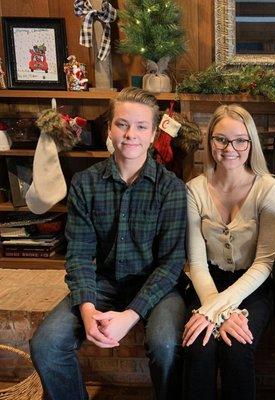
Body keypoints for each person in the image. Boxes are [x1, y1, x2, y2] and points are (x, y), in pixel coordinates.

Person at [30, 87, 188, 400]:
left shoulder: (171, 188)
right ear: (110, 128)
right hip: (102, 283)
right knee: (46, 344)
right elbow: (78, 254)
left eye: (141, 126)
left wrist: (130, 316)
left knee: (166, 344)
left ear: (154, 133)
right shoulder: (85, 183)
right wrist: (88, 310)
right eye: (122, 124)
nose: (131, 134)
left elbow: (171, 264)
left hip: (157, 287)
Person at [182, 104, 275, 399]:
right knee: (198, 346)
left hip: (253, 285)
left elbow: (265, 263)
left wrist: (218, 312)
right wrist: (215, 307)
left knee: (236, 348)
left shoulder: (268, 189)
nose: (230, 148)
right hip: (206, 283)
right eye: (221, 139)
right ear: (210, 141)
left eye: (240, 140)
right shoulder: (194, 190)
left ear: (251, 143)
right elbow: (197, 264)